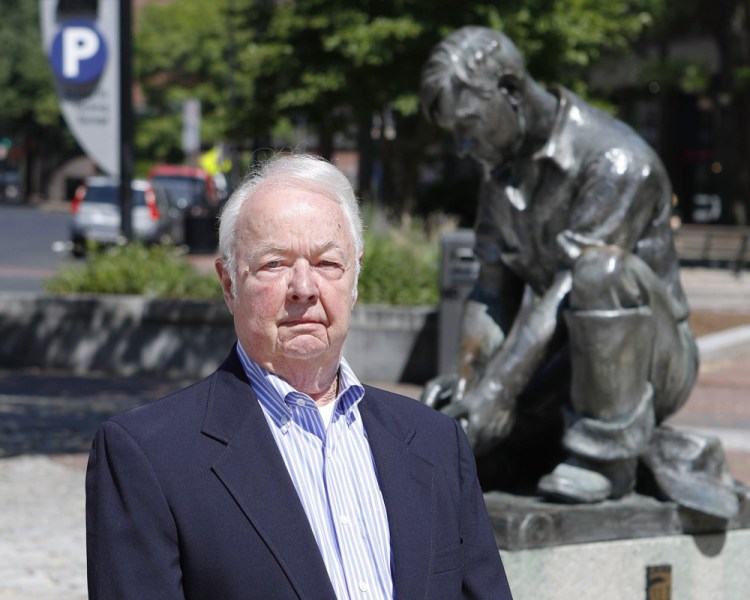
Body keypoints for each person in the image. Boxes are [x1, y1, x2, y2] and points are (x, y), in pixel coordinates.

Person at [85, 153, 513, 599]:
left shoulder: (436, 442)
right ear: (229, 285)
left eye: (328, 263)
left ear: (356, 278)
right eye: (274, 264)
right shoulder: (149, 456)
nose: (304, 288)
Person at [419, 26, 713, 510]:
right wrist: (469, 383)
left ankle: (607, 457)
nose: (463, 147)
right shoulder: (500, 178)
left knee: (599, 271)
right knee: (475, 452)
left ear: (510, 91)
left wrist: (500, 388)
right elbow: (492, 290)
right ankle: (529, 445)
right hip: (563, 356)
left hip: (654, 363)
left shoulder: (617, 161)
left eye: (468, 125)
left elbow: (571, 283)